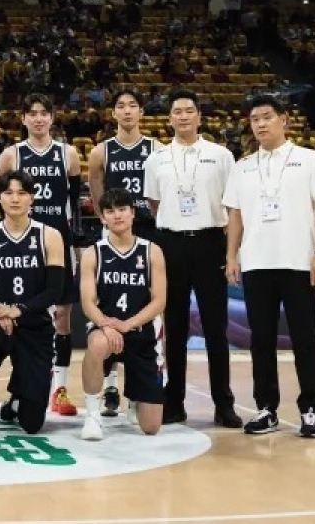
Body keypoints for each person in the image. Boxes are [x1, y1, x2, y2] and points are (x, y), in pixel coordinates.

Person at [224, 95, 315, 438]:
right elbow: (235, 215)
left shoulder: (310, 160)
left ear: (284, 120)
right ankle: (266, 408)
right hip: (257, 264)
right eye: (254, 119)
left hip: (298, 262)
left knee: (305, 338)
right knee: (261, 341)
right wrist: (232, 255)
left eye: (266, 117)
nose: (260, 123)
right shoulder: (242, 166)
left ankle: (311, 410)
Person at [142, 88, 241, 427]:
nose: (183, 116)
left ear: (199, 116)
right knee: (175, 328)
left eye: (189, 110)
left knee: (216, 328)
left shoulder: (221, 155)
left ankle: (224, 404)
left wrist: (230, 252)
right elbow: (154, 204)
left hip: (210, 241)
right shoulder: (156, 159)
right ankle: (174, 402)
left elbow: (232, 205)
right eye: (177, 111)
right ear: (169, 118)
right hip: (171, 244)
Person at [0, 93, 83, 417]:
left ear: (52, 117)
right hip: (21, 245)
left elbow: (73, 205)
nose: (38, 118)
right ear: (23, 119)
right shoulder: (10, 156)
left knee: (62, 318)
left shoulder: (69, 154)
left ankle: (58, 389)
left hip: (57, 244)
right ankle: (22, 387)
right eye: (32, 113)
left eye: (44, 112)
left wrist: (75, 244)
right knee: (22, 317)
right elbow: (1, 200)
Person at [0, 171, 65, 442]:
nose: (15, 199)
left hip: (35, 324)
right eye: (8, 193)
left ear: (32, 197)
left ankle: (18, 399)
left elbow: (54, 290)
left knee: (32, 424)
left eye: (22, 193)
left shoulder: (50, 236)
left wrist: (18, 310)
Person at [86, 88, 158, 417]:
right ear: (113, 112)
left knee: (146, 307)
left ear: (141, 111)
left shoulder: (155, 148)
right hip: (114, 228)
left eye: (132, 105)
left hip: (146, 227)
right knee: (111, 304)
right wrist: (107, 220)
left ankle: (141, 386)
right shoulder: (102, 151)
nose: (127, 111)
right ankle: (111, 385)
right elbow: (97, 191)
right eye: (120, 106)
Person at [78, 188, 167, 440]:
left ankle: (136, 397)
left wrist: (128, 325)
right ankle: (93, 416)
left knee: (151, 427)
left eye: (122, 209)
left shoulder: (151, 251)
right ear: (102, 218)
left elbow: (159, 301)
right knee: (97, 343)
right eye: (110, 211)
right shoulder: (93, 253)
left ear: (132, 213)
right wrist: (106, 325)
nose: (117, 215)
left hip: (141, 332)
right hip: (106, 330)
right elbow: (87, 303)